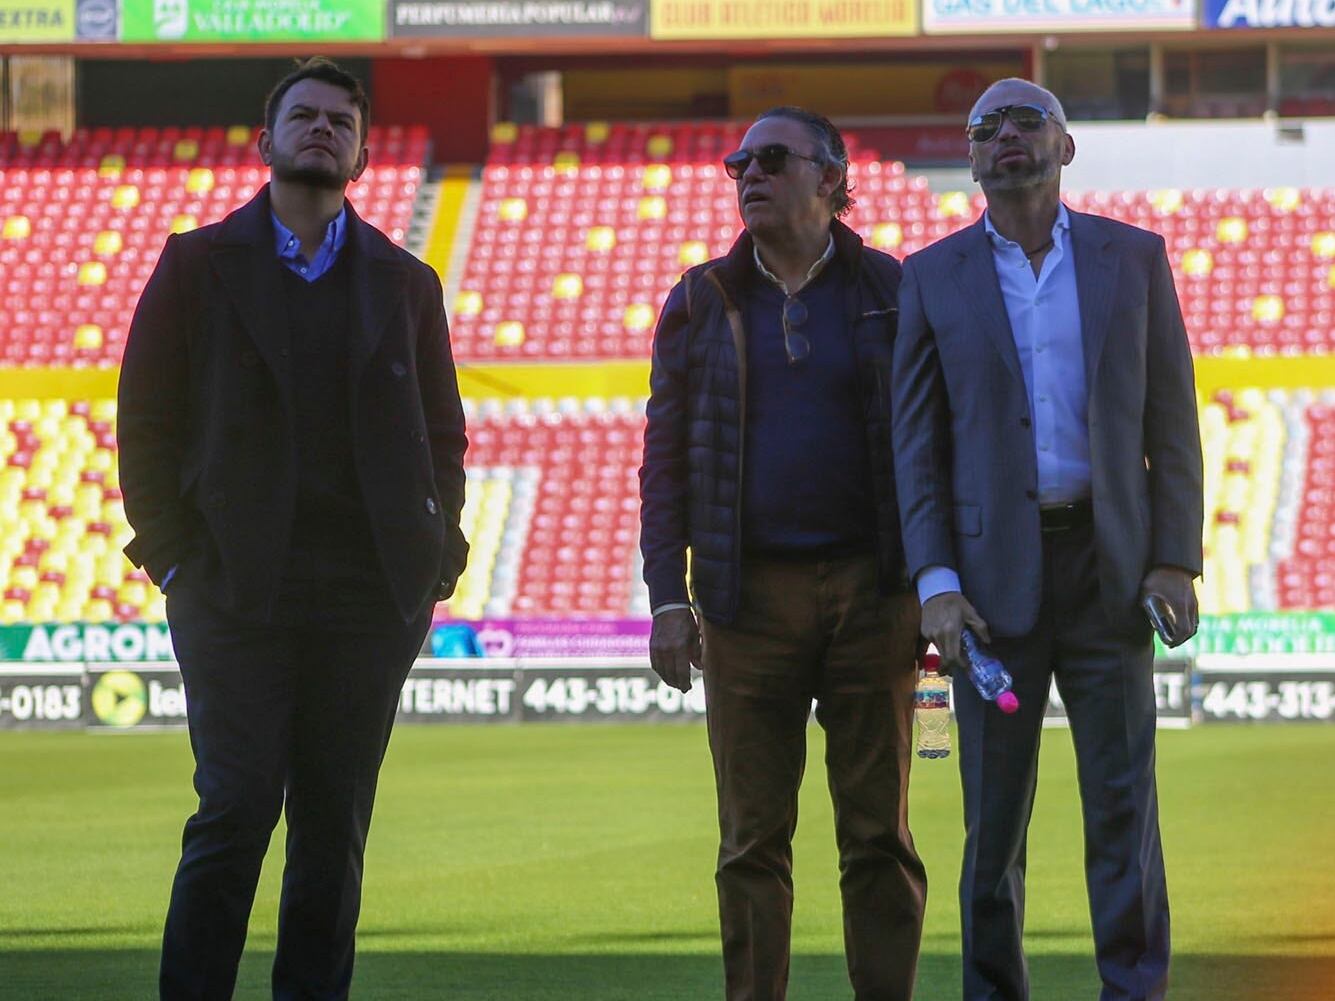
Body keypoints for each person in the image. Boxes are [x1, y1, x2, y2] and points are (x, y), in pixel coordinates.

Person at [117, 58, 469, 1000]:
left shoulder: (406, 281)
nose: (322, 129)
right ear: (264, 140)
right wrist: (172, 554)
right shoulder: (195, 263)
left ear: (359, 152)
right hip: (232, 587)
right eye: (303, 116)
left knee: (331, 830)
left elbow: (443, 435)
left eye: (340, 121)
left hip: (368, 598)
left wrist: (437, 557)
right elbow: (143, 418)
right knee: (233, 812)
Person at [892, 78, 1203, 1001]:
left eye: (1024, 121)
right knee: (991, 824)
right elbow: (915, 445)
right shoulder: (930, 276)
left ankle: (1134, 988)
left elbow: (1170, 422)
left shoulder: (1132, 259)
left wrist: (1174, 556)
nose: (1003, 138)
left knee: (1122, 806)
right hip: (989, 595)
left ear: (1064, 146)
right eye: (984, 128)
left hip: (1108, 576)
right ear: (973, 158)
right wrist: (935, 579)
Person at [639, 106, 926, 1001]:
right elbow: (665, 457)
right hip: (743, 598)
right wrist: (665, 596)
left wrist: (938, 582)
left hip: (873, 593)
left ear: (833, 179)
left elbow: (933, 442)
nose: (747, 174)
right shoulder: (699, 298)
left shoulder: (894, 290)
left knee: (877, 833)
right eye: (737, 163)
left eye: (770, 159)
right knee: (750, 841)